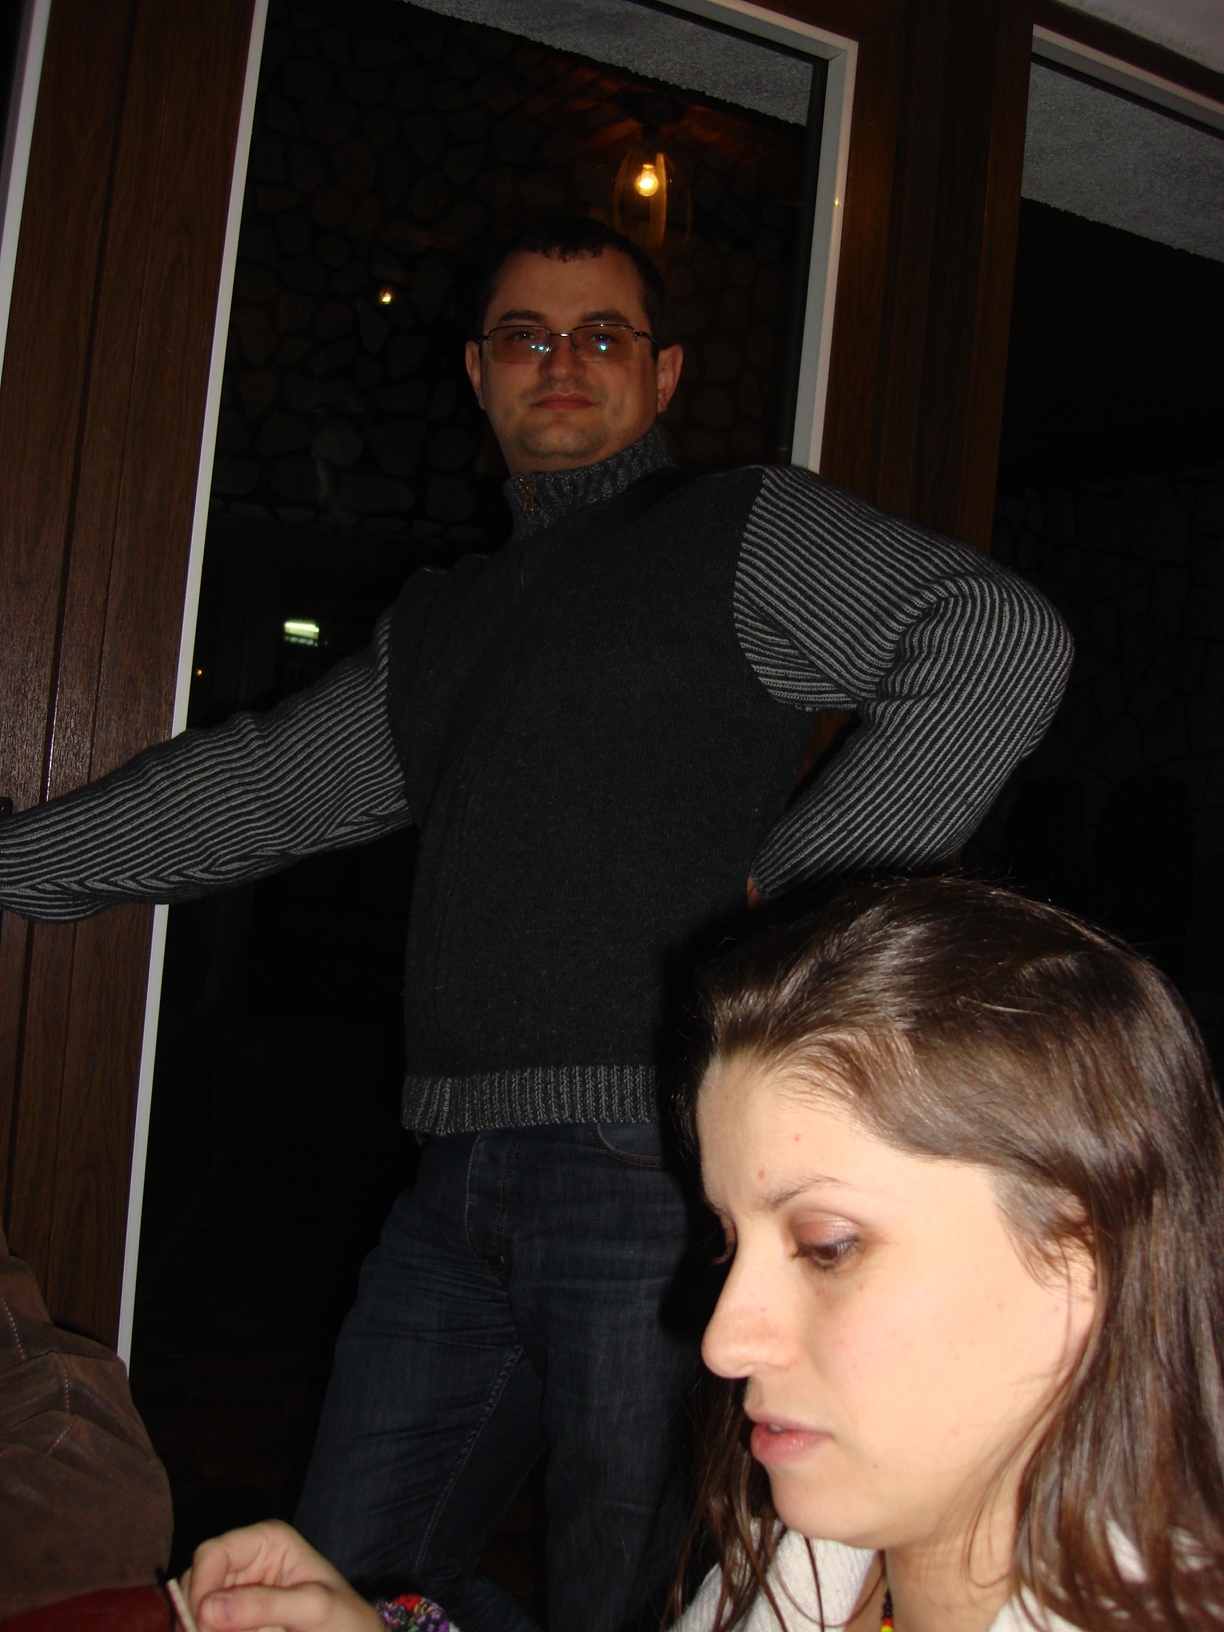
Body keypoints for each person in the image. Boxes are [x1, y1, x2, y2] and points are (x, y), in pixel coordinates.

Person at [0, 219, 1073, 1630]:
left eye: (603, 335)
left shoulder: (732, 529)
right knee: (336, 1586)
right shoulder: (445, 620)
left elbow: (994, 640)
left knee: (635, 1606)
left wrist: (802, 913)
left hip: (654, 1174)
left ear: (664, 375)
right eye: (526, 335)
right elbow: (249, 791)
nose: (562, 360)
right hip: (452, 1180)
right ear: (478, 371)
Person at [181, 877, 1224, 1632]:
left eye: (827, 1246)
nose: (722, 1342)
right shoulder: (816, 1558)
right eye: (729, 1242)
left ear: (1079, 1260)